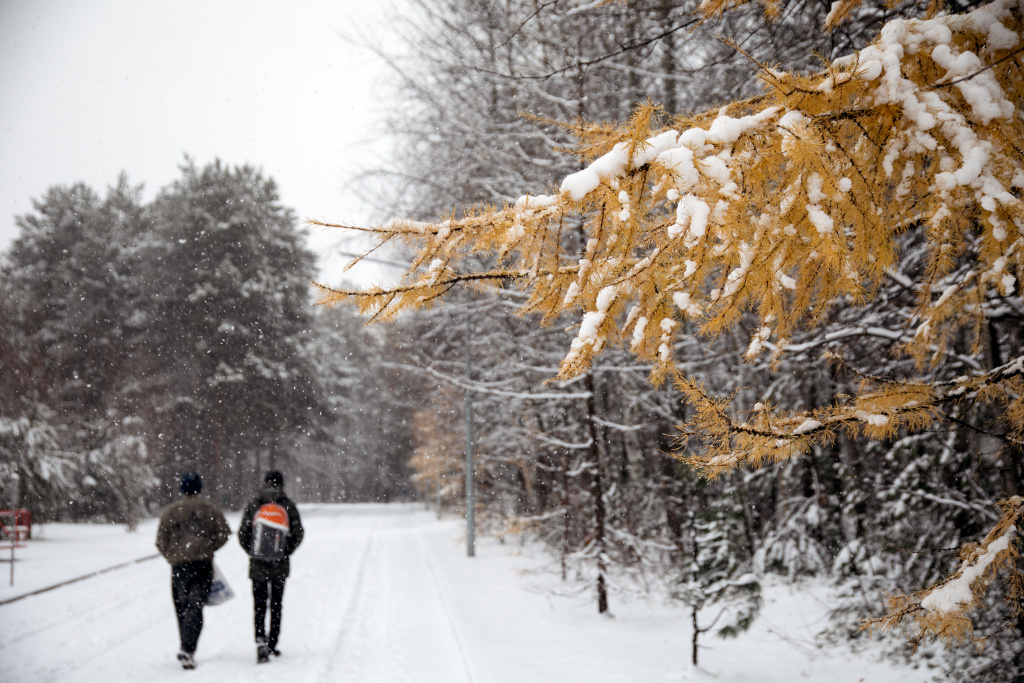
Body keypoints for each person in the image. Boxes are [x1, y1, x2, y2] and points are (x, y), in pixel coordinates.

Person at [155, 471, 231, 670]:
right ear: (199, 488)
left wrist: (173, 556)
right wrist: (208, 547)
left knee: (182, 607)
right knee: (195, 606)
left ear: (182, 488)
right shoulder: (210, 510)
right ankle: (189, 649)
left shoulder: (170, 512)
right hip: (201, 564)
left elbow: (161, 541)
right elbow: (224, 534)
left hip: (179, 567)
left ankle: (185, 646)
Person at [238, 470, 304, 664]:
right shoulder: (287, 505)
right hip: (279, 565)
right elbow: (298, 532)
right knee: (276, 604)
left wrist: (253, 552)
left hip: (257, 564)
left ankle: (260, 640)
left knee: (259, 604)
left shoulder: (254, 504)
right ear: (281, 484)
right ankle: (273, 642)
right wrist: (285, 551)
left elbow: (243, 534)